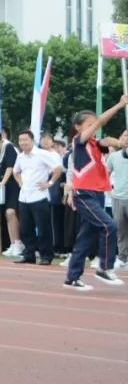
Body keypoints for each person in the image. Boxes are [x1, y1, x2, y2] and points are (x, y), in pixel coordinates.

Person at [64, 98, 128, 291]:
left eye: (94, 123)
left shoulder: (94, 143)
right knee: (109, 226)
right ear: (78, 127)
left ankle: (72, 277)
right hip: (84, 194)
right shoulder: (79, 141)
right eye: (89, 124)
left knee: (86, 237)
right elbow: (101, 122)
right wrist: (119, 105)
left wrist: (120, 142)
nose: (94, 126)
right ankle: (104, 267)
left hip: (98, 194)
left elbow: (106, 141)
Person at [12, 129, 62, 266]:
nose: (23, 143)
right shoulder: (20, 157)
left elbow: (58, 168)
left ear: (32, 140)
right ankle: (29, 255)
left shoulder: (42, 154)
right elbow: (15, 172)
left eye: (25, 140)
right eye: (20, 140)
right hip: (24, 197)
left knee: (43, 228)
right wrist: (21, 183)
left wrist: (50, 183)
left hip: (39, 196)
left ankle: (46, 256)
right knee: (25, 228)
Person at [0, 130, 23, 257]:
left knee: (11, 212)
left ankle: (19, 242)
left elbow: (10, 167)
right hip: (2, 187)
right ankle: (13, 243)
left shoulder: (8, 147)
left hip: (13, 184)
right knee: (7, 215)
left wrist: (3, 182)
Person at [105, 130, 128, 270]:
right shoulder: (113, 157)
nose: (127, 139)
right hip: (118, 198)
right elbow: (105, 175)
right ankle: (122, 257)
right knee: (120, 230)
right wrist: (110, 192)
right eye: (125, 135)